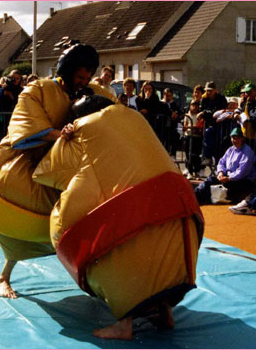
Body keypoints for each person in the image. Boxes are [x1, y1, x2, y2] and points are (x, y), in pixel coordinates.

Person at [33, 94, 203, 340]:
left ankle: (125, 324)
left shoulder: (83, 131)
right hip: (183, 225)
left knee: (107, 242)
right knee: (149, 238)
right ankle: (165, 311)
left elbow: (44, 173)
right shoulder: (135, 119)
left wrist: (63, 139)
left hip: (138, 220)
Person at [0, 43, 118, 300]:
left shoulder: (91, 91)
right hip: (27, 163)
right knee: (20, 221)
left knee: (84, 222)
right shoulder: (39, 89)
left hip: (65, 168)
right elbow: (25, 124)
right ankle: (4, 276)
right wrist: (58, 135)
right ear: (67, 71)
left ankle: (99, 281)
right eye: (79, 77)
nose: (83, 82)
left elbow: (116, 112)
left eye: (87, 78)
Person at [194, 127, 256, 205]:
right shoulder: (231, 149)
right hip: (228, 178)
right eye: (233, 138)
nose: (235, 140)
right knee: (209, 181)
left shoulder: (247, 151)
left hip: (242, 180)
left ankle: (195, 198)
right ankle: (194, 197)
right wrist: (221, 172)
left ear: (242, 139)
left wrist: (229, 178)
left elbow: (242, 171)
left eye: (237, 138)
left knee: (212, 183)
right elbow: (221, 162)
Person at [198, 81, 228, 167]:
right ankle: (208, 157)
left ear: (215, 90)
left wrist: (205, 113)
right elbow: (201, 110)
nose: (208, 92)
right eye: (207, 90)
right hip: (209, 125)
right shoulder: (204, 99)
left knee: (219, 146)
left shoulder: (221, 99)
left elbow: (218, 112)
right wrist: (206, 113)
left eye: (210, 90)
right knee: (207, 138)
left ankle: (219, 164)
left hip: (220, 126)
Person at [183, 99, 203, 177]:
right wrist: (190, 127)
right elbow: (185, 125)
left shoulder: (199, 115)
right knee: (188, 154)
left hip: (196, 137)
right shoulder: (187, 115)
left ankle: (197, 170)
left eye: (196, 105)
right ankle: (189, 171)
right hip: (188, 136)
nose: (194, 107)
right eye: (193, 105)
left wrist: (193, 127)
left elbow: (199, 126)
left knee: (196, 155)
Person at [162, 88, 181, 158]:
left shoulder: (173, 104)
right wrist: (171, 113)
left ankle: (173, 154)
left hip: (172, 126)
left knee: (174, 140)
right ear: (164, 95)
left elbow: (179, 111)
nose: (168, 97)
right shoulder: (161, 103)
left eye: (170, 96)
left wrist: (176, 113)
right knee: (164, 142)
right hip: (163, 126)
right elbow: (164, 110)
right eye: (167, 95)